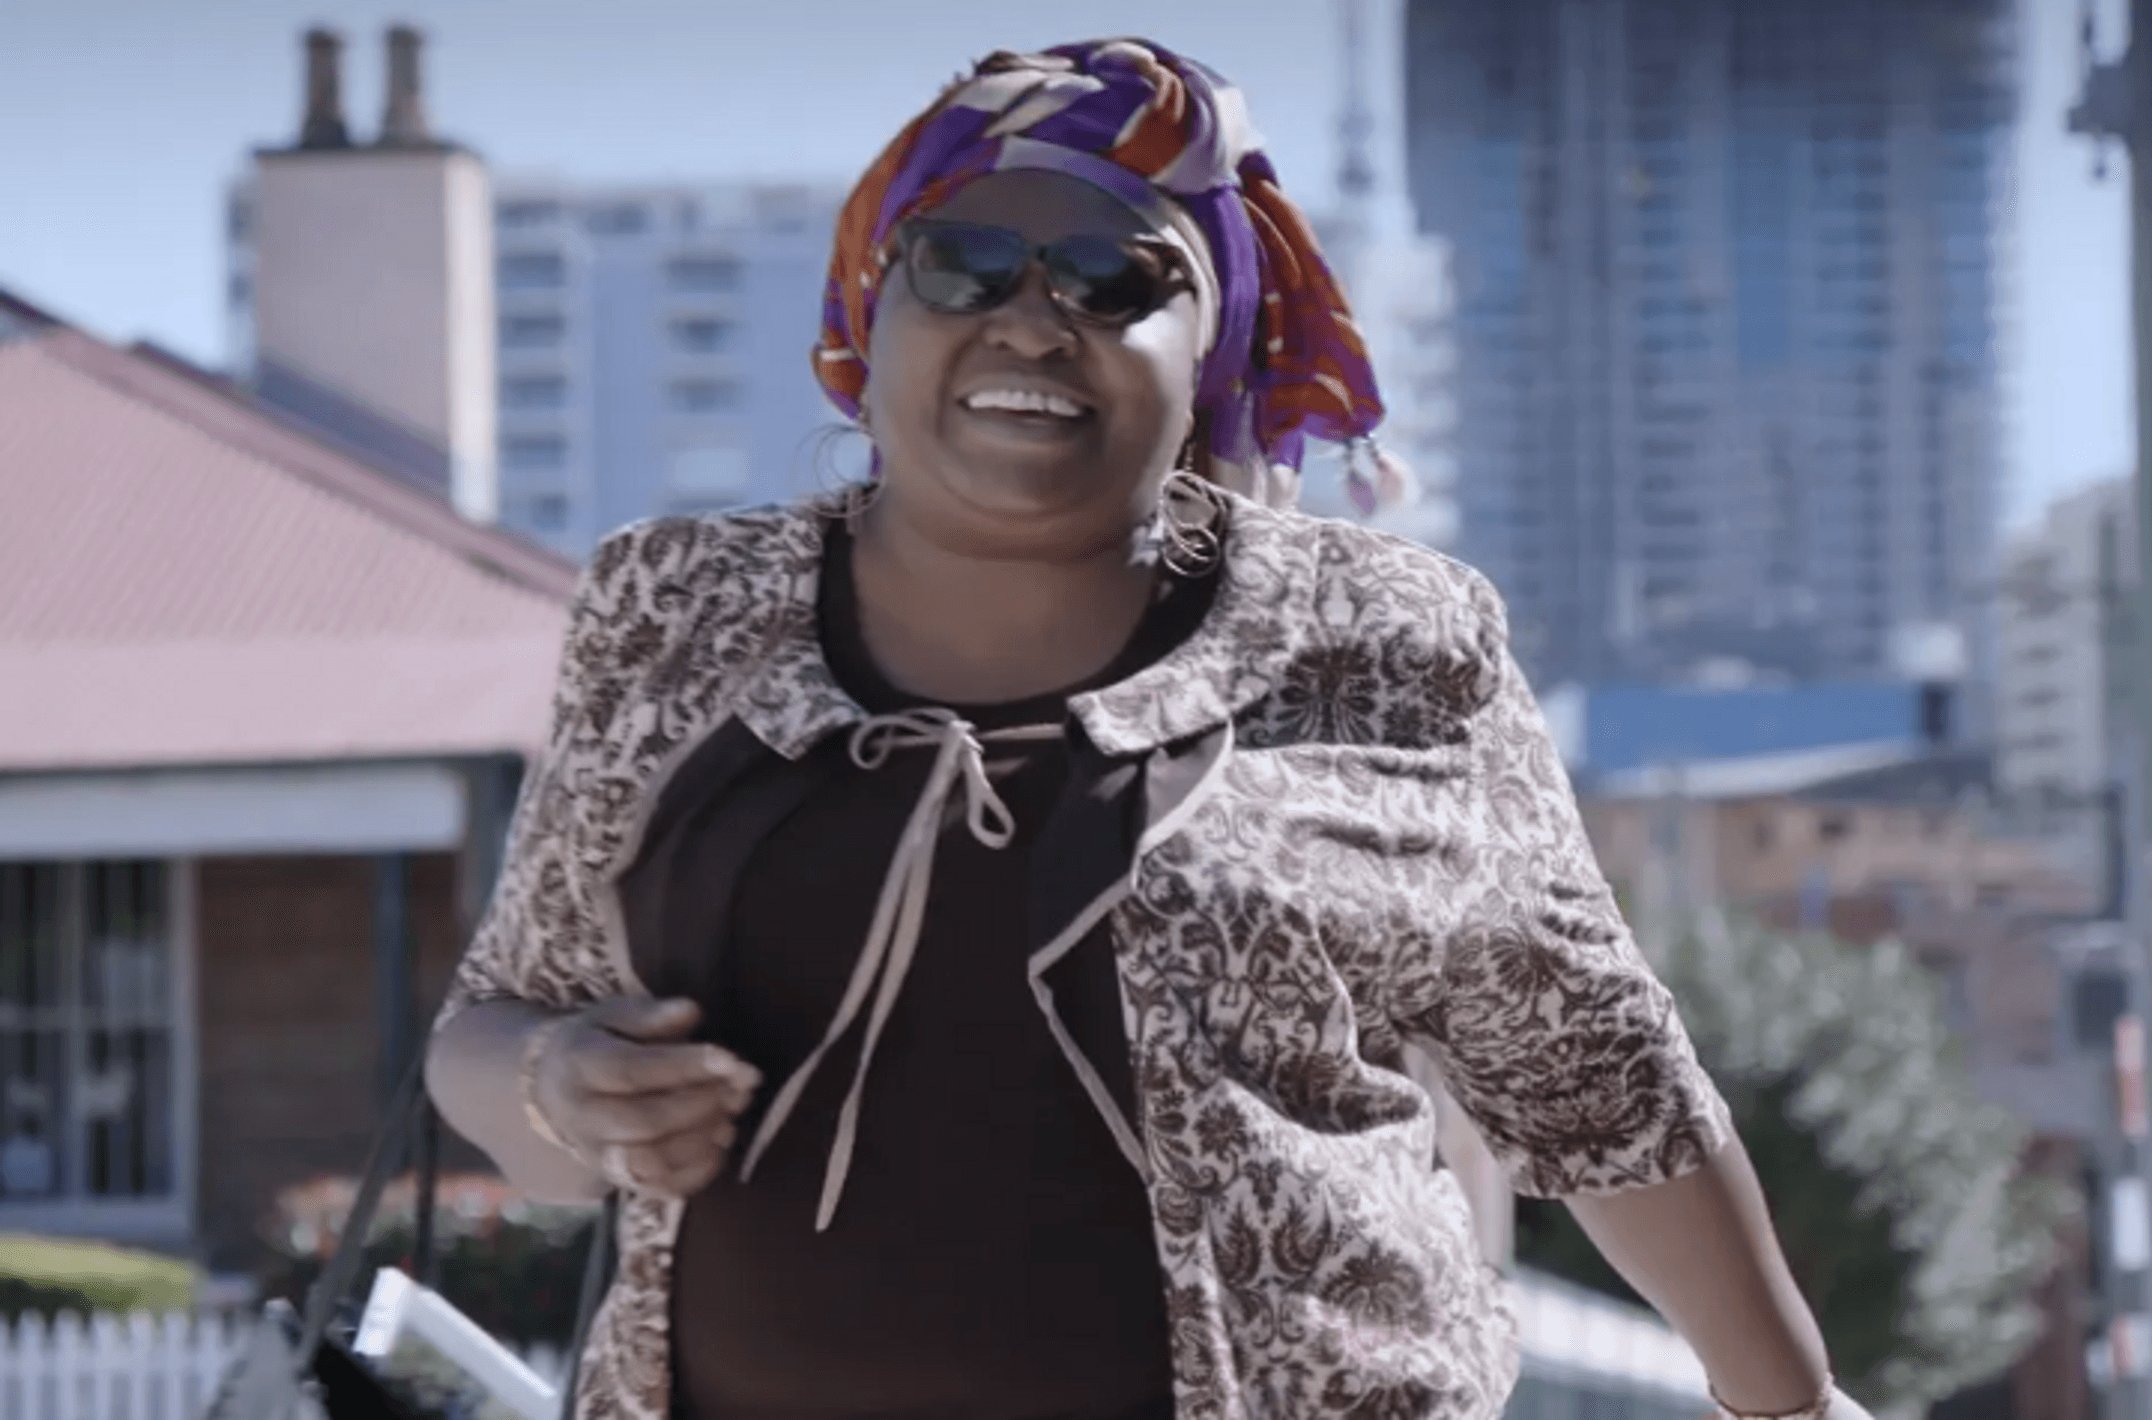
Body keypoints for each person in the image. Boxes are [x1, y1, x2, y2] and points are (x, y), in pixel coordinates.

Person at [427, 38, 1872, 1420]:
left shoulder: (1386, 644)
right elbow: (495, 1023)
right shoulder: (669, 610)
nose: (1036, 318)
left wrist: (1788, 1402)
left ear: (1213, 348)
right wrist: (561, 1088)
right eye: (966, 260)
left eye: (1121, 277)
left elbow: (1605, 1086)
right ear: (875, 310)